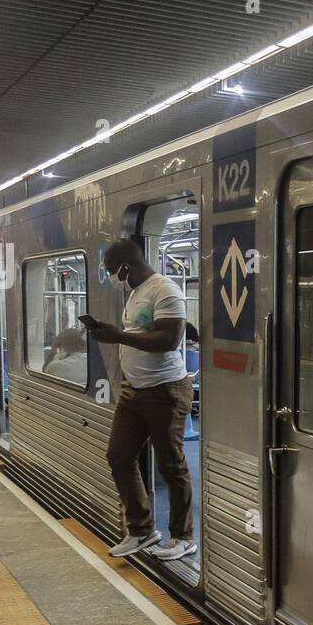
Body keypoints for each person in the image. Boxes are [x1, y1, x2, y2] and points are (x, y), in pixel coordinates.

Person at [89, 239, 198, 560]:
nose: (112, 277)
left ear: (126, 267)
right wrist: (116, 334)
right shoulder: (136, 292)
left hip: (165, 389)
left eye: (113, 271)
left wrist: (117, 336)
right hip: (133, 389)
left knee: (171, 465)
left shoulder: (165, 289)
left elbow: (170, 339)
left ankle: (182, 536)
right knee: (119, 456)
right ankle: (141, 529)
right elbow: (140, 333)